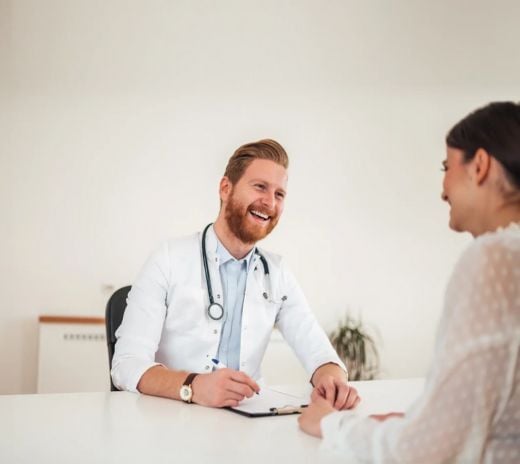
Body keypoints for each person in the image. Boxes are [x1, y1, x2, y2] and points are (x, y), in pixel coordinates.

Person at [299, 101, 520, 463]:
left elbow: (428, 451)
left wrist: (331, 425)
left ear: (479, 166)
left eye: (446, 167)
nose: (443, 190)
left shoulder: (495, 260)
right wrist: (421, 422)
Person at [112, 139, 360, 410]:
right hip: (173, 417)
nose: (269, 202)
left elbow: (318, 351)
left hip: (247, 420)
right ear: (225, 188)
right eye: (260, 187)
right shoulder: (168, 258)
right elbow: (127, 364)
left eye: (280, 194)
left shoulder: (276, 273)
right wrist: (193, 386)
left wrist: (332, 379)